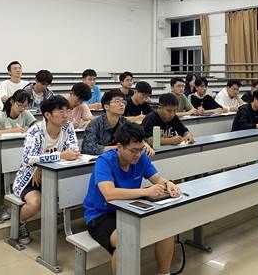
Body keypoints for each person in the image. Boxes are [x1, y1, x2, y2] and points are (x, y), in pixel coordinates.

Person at [83, 122, 179, 275]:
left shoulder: (141, 157)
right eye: (133, 150)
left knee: (165, 230)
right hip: (100, 216)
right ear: (119, 147)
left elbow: (157, 179)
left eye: (141, 149)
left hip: (129, 209)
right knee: (126, 241)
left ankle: (164, 273)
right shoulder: (104, 161)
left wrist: (168, 184)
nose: (138, 154)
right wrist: (145, 192)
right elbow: (109, 194)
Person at [11, 95, 81, 244]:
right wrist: (60, 156)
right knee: (35, 203)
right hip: (29, 177)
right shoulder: (35, 131)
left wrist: (42, 165)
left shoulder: (68, 127)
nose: (65, 115)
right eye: (60, 111)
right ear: (48, 115)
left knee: (77, 190)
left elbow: (74, 151)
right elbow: (28, 159)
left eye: (67, 111)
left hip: (55, 174)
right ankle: (19, 223)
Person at [82, 90, 154, 156]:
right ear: (106, 106)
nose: (122, 104)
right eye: (117, 101)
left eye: (123, 102)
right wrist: (118, 148)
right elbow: (87, 148)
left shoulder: (125, 122)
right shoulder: (95, 124)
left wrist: (144, 144)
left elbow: (138, 138)